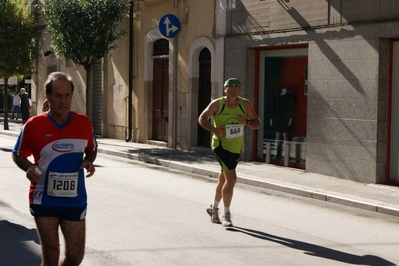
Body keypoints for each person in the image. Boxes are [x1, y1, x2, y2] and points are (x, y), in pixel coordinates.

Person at [12, 72, 98, 266]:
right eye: (58, 95)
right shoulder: (34, 125)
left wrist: (89, 161)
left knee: (75, 257)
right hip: (44, 197)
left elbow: (91, 149)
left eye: (67, 95)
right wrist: (29, 167)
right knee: (51, 254)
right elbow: (18, 153)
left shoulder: (83, 122)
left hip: (75, 199)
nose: (63, 101)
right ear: (47, 96)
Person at [198, 78, 260, 227]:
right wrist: (214, 130)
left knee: (223, 179)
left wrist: (247, 122)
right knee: (231, 178)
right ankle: (226, 214)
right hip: (220, 145)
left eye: (236, 87)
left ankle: (213, 208)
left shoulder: (244, 104)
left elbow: (256, 123)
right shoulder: (217, 104)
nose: (233, 89)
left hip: (235, 147)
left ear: (239, 89)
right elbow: (202, 118)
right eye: (230, 86)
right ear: (225, 89)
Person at [270, 88, 295, 160]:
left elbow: (291, 108)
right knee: (277, 136)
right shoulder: (277, 95)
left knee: (285, 136)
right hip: (278, 118)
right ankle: (275, 154)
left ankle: (285, 155)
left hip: (285, 118)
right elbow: (274, 108)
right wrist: (272, 118)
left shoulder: (289, 96)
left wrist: (290, 117)